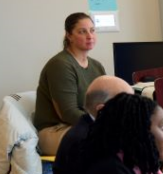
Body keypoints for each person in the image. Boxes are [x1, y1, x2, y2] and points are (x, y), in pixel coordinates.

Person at [35, 13, 108, 154]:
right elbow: (68, 113)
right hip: (56, 130)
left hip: (85, 126)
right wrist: (102, 125)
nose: (90, 36)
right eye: (82, 31)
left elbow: (106, 101)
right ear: (69, 35)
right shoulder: (60, 64)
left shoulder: (97, 66)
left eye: (92, 30)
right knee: (108, 142)